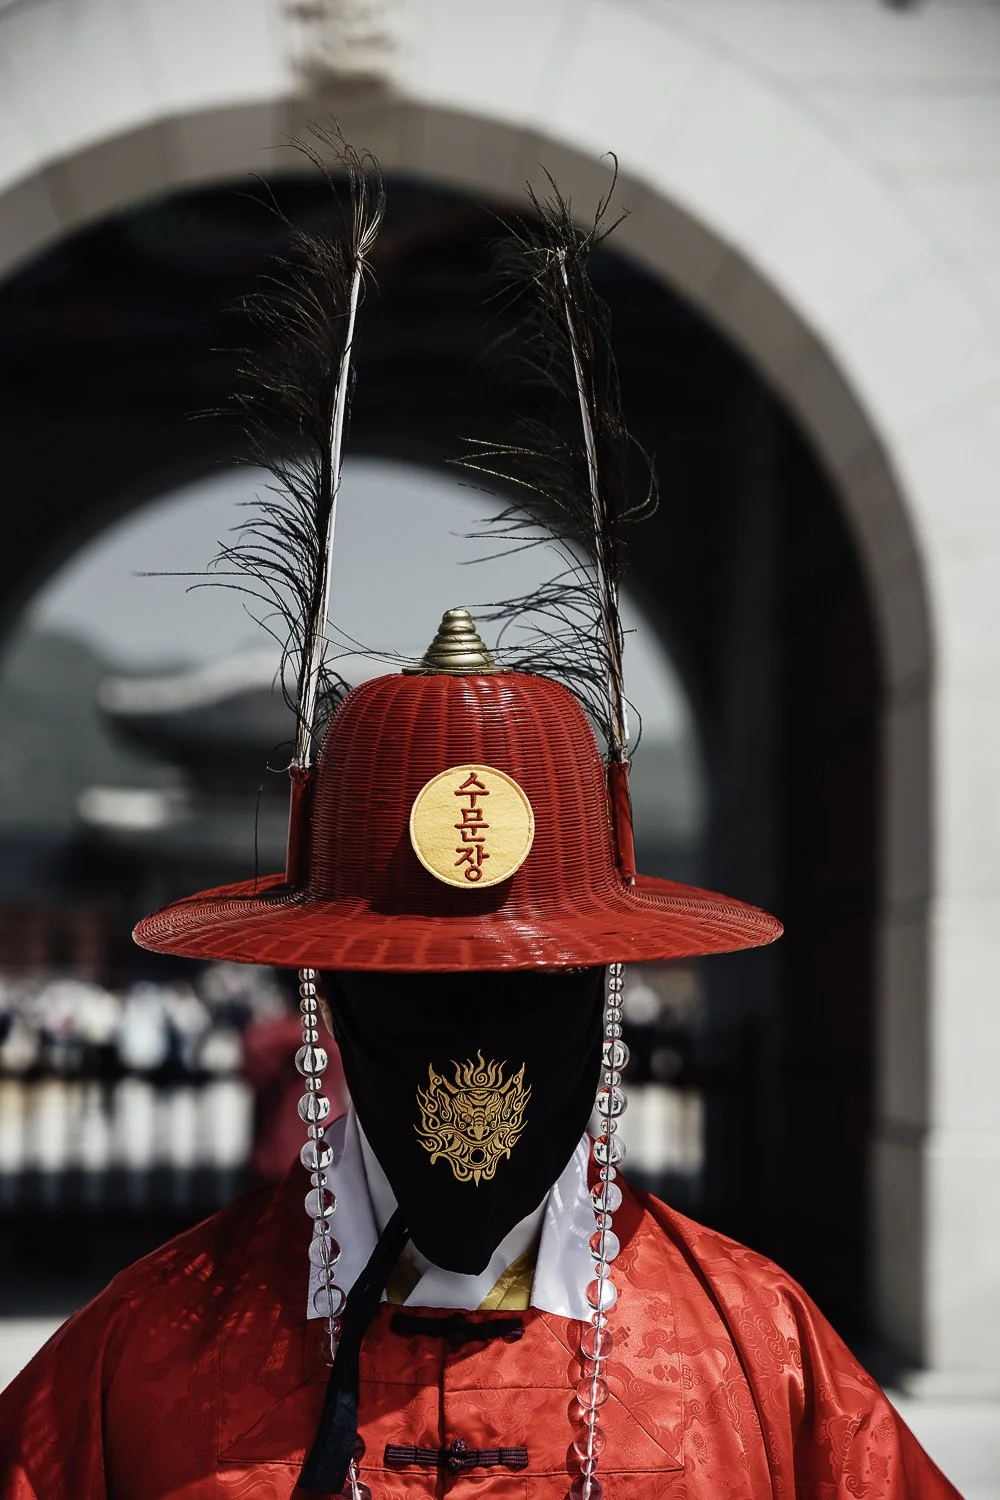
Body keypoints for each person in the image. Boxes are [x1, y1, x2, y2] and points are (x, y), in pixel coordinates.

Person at [0, 137, 961, 1498]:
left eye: (528, 994)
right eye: (413, 996)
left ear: (603, 998)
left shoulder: (762, 1353)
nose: (472, 1056)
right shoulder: (147, 1353)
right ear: (327, 997)